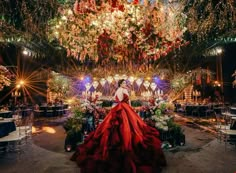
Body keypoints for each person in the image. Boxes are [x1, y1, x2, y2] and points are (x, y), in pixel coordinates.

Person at [71, 79, 166, 173]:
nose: (125, 84)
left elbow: (120, 101)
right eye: (123, 83)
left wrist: (128, 106)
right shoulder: (122, 90)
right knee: (125, 127)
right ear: (120, 84)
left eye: (125, 83)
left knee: (127, 126)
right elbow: (122, 101)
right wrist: (128, 107)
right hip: (123, 108)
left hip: (123, 108)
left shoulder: (120, 90)